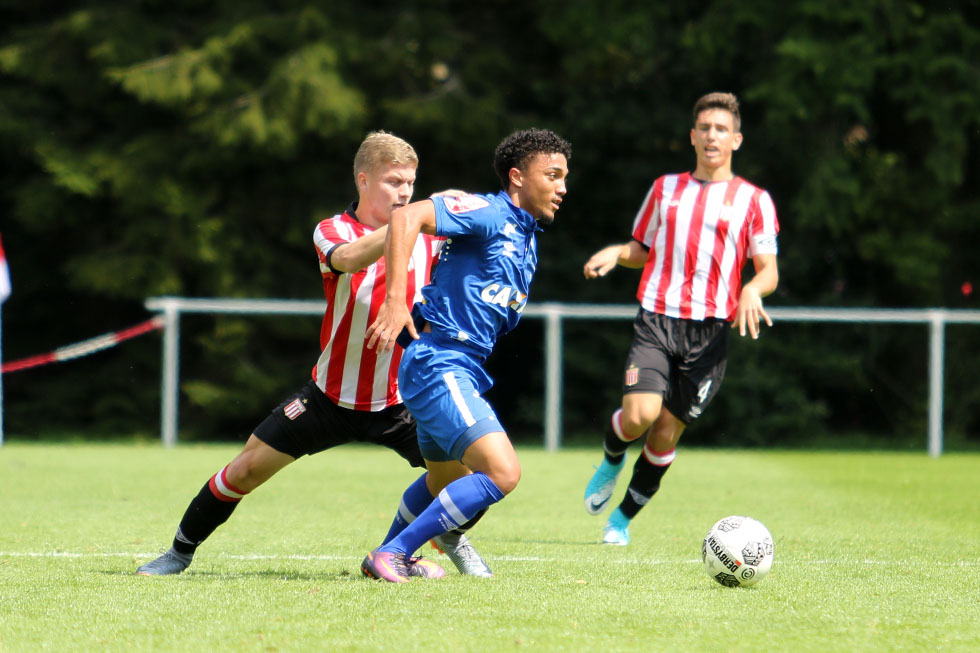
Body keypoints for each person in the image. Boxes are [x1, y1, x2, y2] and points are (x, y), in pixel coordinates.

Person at [136, 131, 491, 578]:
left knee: (474, 479)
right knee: (244, 471)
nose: (404, 193)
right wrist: (411, 223)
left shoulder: (429, 233)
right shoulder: (333, 230)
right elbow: (348, 259)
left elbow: (480, 221)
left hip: (404, 400)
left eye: (410, 184)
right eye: (393, 181)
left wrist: (464, 204)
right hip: (329, 397)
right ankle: (179, 553)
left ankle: (415, 547)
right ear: (363, 180)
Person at [358, 128, 571, 582]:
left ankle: (384, 554)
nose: (562, 188)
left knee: (444, 483)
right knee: (502, 472)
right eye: (552, 175)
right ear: (517, 177)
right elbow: (405, 219)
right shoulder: (492, 213)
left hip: (457, 369)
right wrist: (397, 301)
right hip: (440, 363)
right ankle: (394, 553)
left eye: (564, 178)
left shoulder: (526, 236)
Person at [582, 92, 780, 546]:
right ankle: (612, 458)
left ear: (736, 139)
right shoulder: (665, 189)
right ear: (693, 136)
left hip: (709, 333)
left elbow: (768, 269)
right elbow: (642, 249)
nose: (712, 136)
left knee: (666, 431)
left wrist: (751, 288)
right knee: (639, 416)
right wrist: (617, 252)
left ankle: (621, 520)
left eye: (721, 129)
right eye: (705, 128)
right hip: (657, 318)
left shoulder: (754, 200)